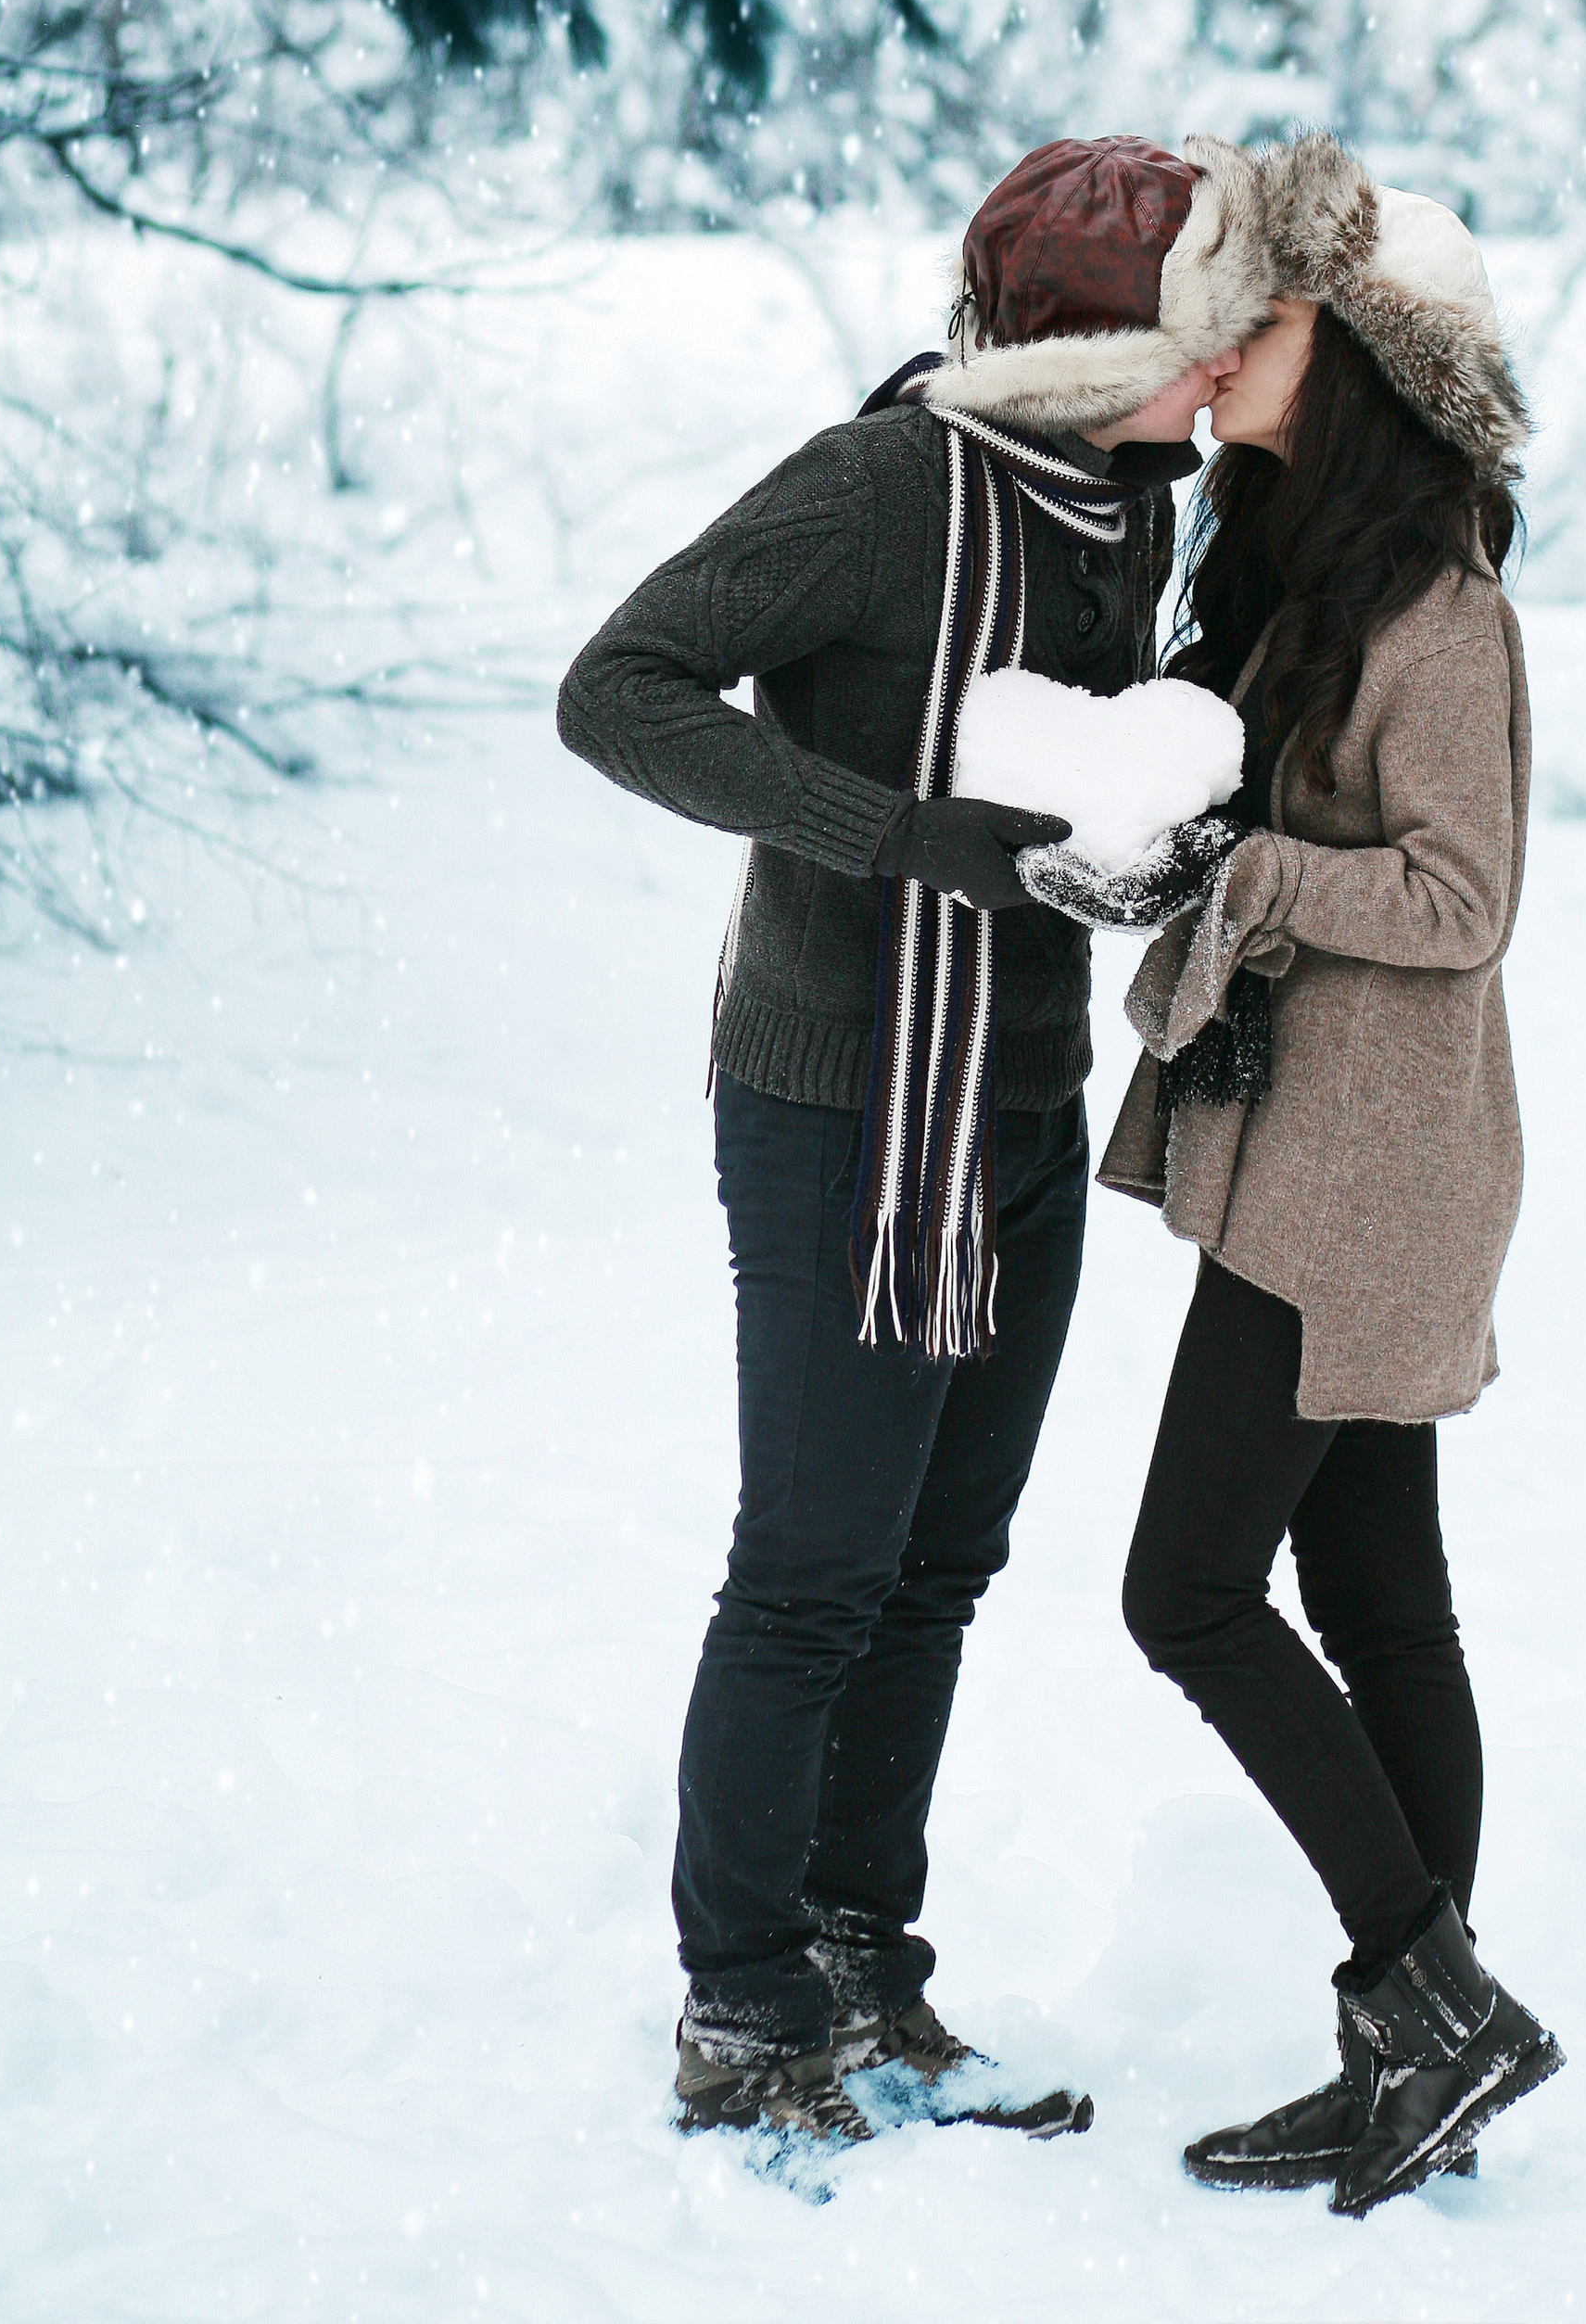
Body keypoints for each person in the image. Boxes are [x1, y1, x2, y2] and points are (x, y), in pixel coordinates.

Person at [554, 133, 1272, 2153]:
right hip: (839, 1103)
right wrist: (890, 834)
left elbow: (1067, 783)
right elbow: (617, 690)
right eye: (1203, 336)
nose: (1226, 371)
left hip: (1019, 1094)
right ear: (1100, 351)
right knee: (813, 1570)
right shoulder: (880, 492)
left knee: (938, 1567)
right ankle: (742, 2005)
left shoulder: (1131, 508)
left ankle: (865, 1963)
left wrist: (1139, 845)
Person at [1095, 130, 1563, 2218]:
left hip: (1365, 1174)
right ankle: (1415, 2053)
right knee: (1378, 1602)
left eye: (1264, 320)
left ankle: (1431, 2008)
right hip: (1321, 1145)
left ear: (1358, 357)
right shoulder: (1302, 573)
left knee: (1185, 1591)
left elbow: (1464, 900)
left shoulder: (1443, 614)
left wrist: (1259, 874)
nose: (1227, 345)